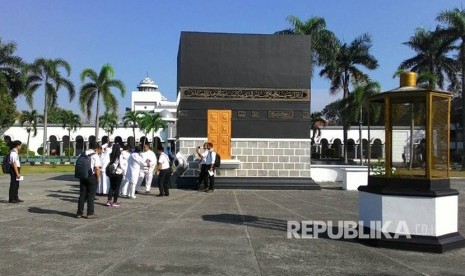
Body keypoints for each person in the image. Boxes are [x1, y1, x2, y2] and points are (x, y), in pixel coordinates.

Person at [76, 141, 101, 219]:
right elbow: (97, 168)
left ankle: (79, 213)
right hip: (91, 176)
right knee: (91, 195)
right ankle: (90, 213)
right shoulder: (95, 155)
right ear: (96, 148)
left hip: (82, 176)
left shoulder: (82, 154)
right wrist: (98, 177)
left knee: (82, 194)